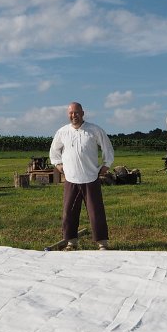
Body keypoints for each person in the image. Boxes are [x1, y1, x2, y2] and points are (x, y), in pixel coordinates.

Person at [49, 102, 114, 250]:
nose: (74, 116)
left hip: (91, 177)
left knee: (96, 212)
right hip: (71, 179)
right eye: (71, 113)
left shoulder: (94, 130)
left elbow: (107, 148)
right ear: (68, 114)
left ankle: (102, 243)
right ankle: (71, 242)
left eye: (76, 112)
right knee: (69, 212)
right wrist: (58, 165)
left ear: (82, 113)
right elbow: (54, 151)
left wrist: (106, 164)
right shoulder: (62, 132)